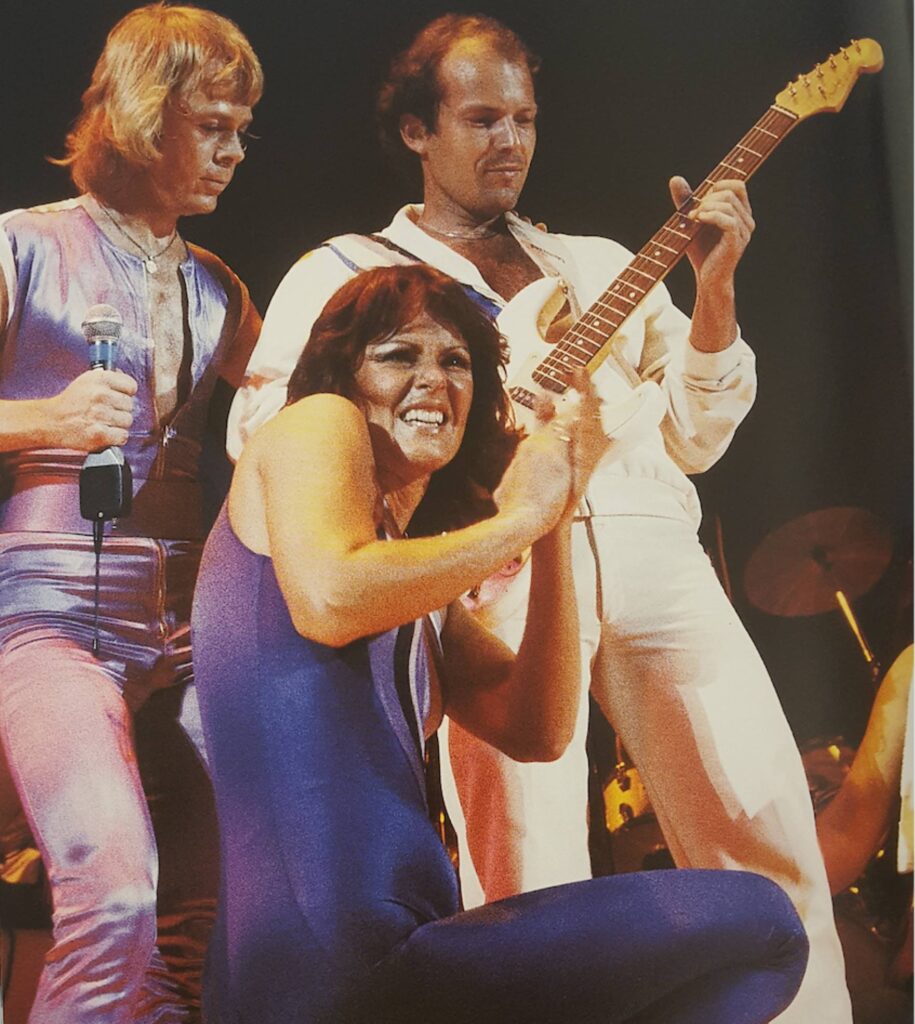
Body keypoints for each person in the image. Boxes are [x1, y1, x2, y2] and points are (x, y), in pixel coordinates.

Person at [226, 13, 851, 1023]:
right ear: (418, 131)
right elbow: (271, 431)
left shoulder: (602, 260)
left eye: (523, 118)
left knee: (762, 820)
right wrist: (463, 472)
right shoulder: (345, 270)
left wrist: (716, 289)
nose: (509, 140)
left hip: (650, 540)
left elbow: (697, 432)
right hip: (489, 563)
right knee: (523, 873)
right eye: (481, 119)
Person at [193, 262, 808, 1024]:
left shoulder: (410, 584)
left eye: (456, 362)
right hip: (335, 952)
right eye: (398, 355)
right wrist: (517, 520)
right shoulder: (316, 421)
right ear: (343, 375)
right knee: (762, 928)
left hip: (395, 947)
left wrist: (555, 519)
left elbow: (539, 728)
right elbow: (329, 599)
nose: (433, 379)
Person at [0, 5, 262, 1021]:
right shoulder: (24, 246)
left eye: (242, 130)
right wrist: (44, 418)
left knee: (206, 928)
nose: (234, 153)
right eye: (214, 127)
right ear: (147, 118)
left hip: (189, 631)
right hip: (48, 621)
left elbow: (311, 406)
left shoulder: (219, 287)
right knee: (112, 901)